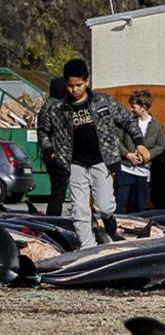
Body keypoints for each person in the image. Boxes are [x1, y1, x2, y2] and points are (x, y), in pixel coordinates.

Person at [36, 58, 146, 247]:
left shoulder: (103, 102)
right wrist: (51, 151)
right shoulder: (57, 109)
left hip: (101, 161)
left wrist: (139, 143)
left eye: (78, 85)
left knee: (103, 205)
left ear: (87, 81)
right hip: (74, 163)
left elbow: (127, 120)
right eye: (70, 86)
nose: (74, 90)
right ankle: (88, 247)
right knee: (79, 211)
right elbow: (43, 130)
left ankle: (108, 216)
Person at [114, 89, 164, 213]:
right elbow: (117, 140)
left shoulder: (156, 126)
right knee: (120, 204)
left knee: (139, 206)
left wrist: (147, 156)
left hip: (143, 171)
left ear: (144, 107)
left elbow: (160, 146)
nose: (131, 109)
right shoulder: (126, 122)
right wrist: (128, 154)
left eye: (134, 106)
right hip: (125, 168)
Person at [42, 76, 71, 217]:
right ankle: (53, 220)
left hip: (59, 154)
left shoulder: (56, 104)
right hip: (56, 155)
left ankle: (54, 218)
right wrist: (52, 152)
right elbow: (43, 132)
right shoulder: (53, 106)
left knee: (58, 191)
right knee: (58, 192)